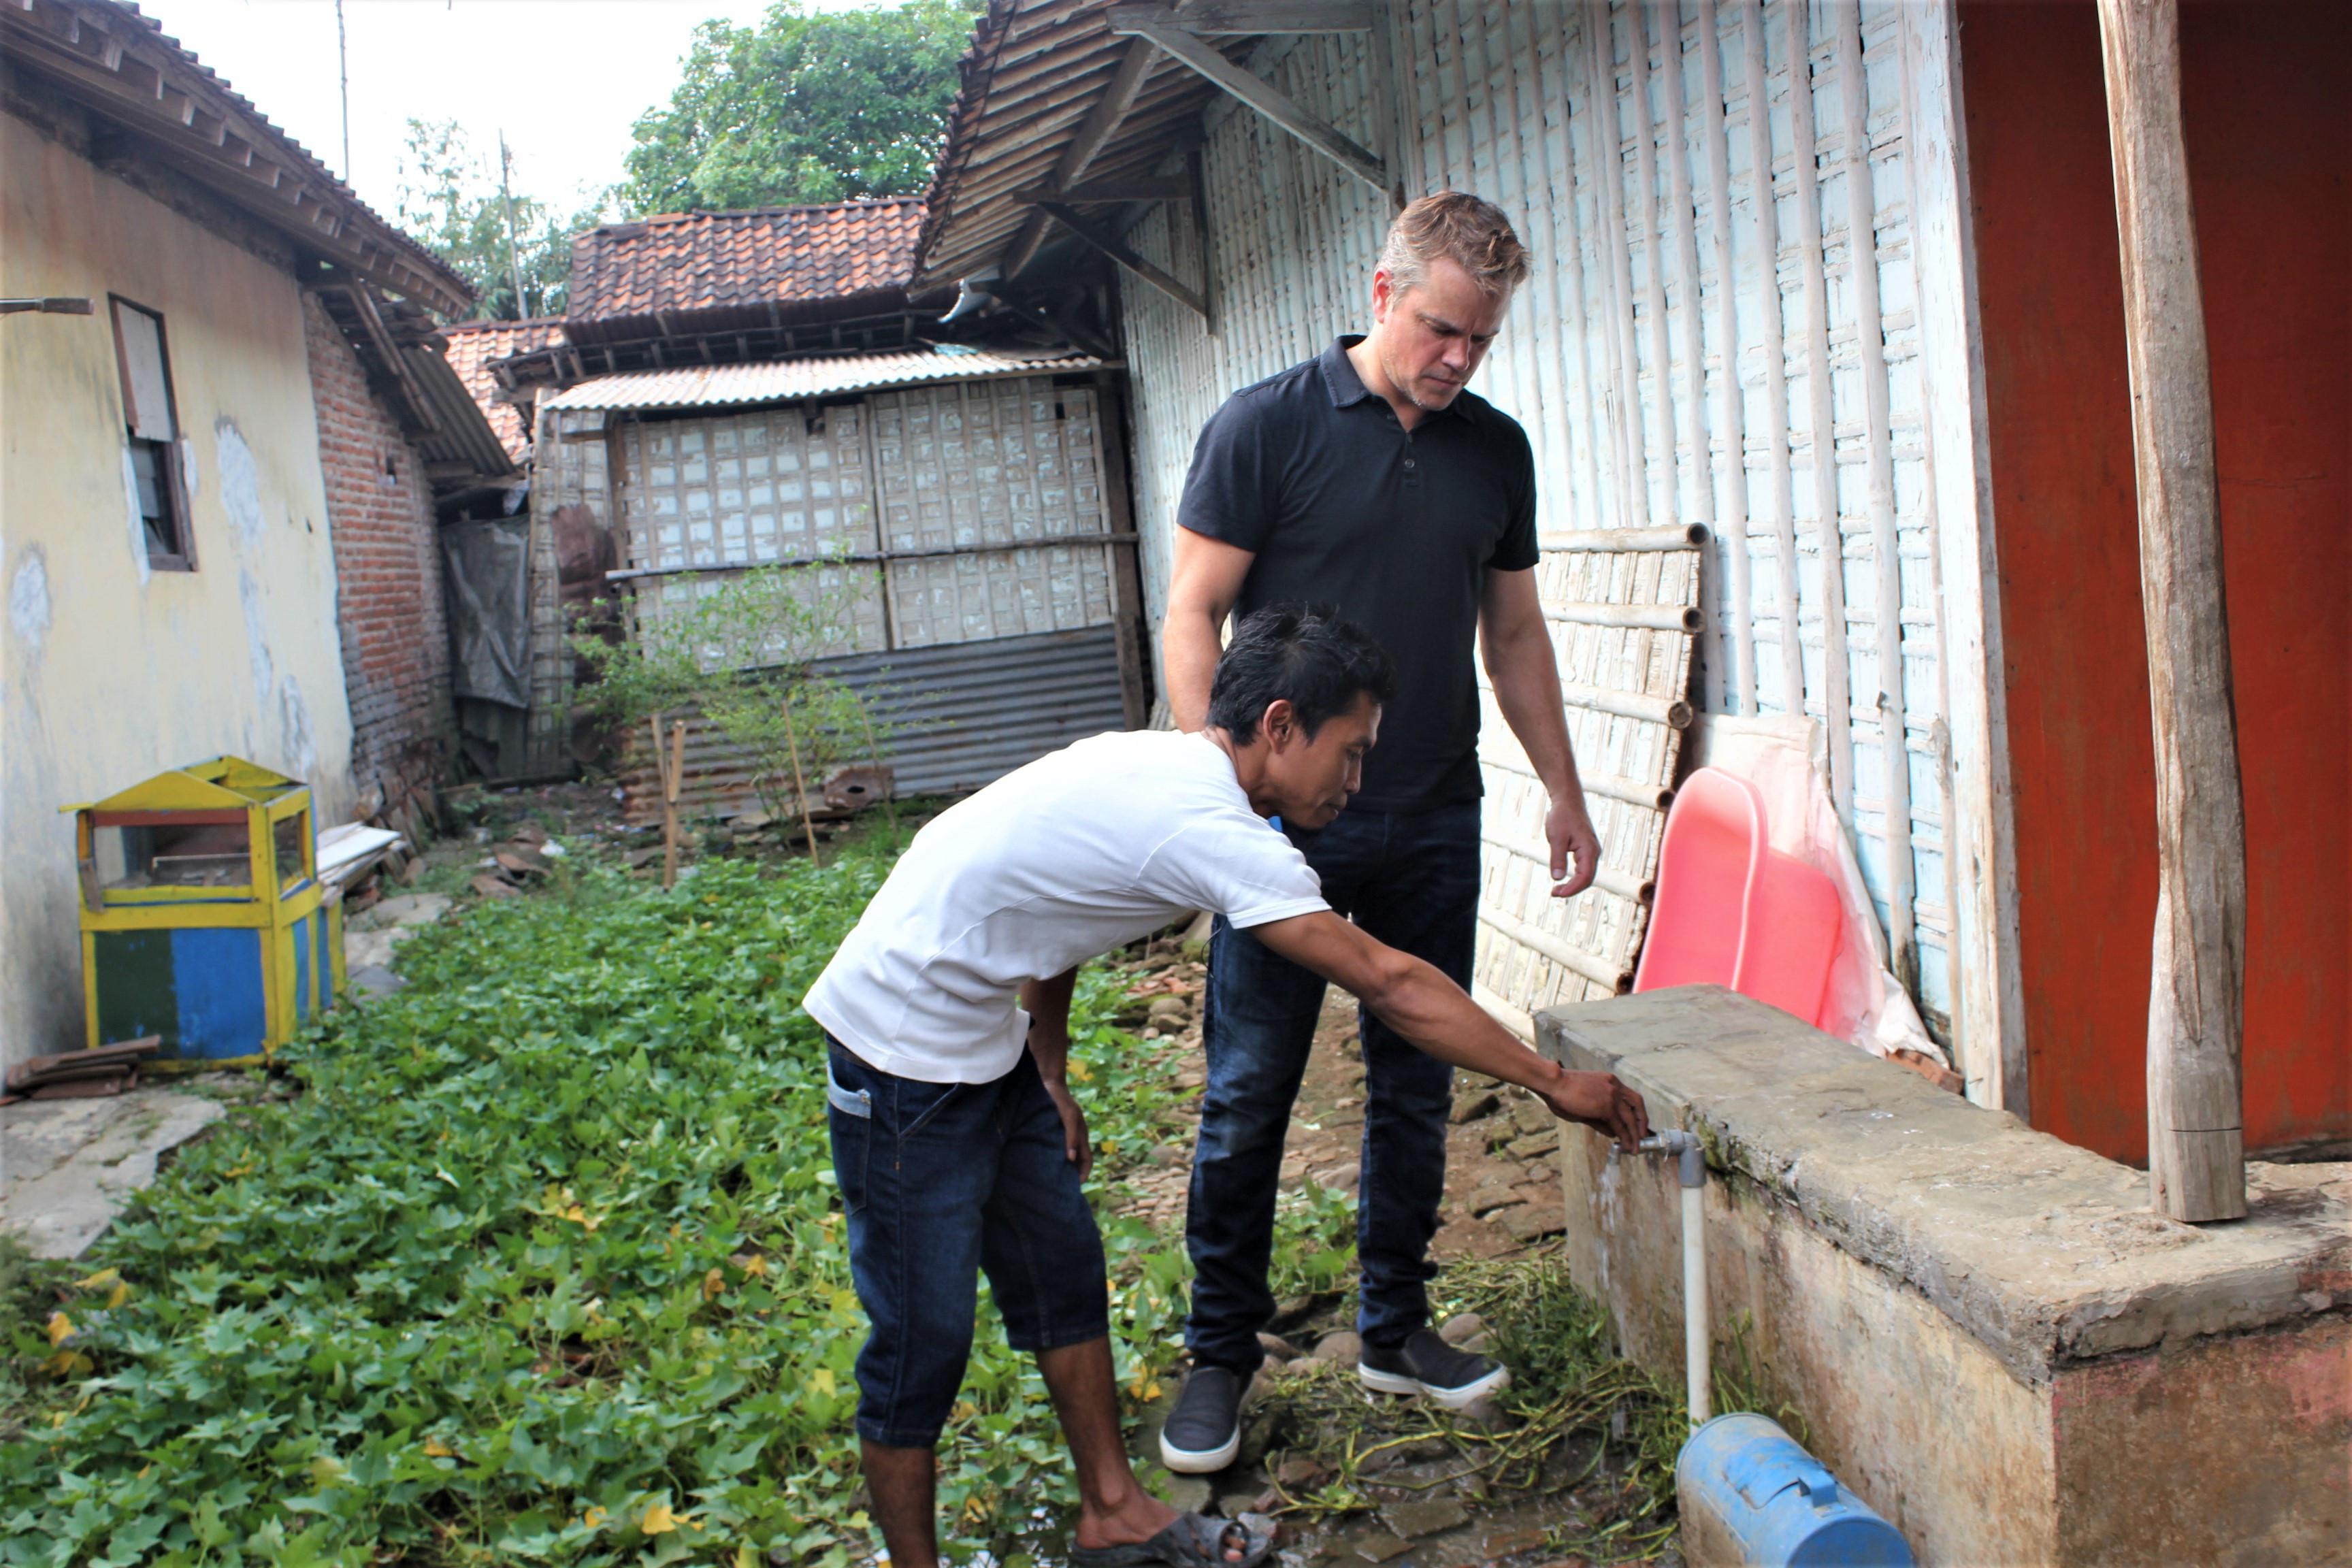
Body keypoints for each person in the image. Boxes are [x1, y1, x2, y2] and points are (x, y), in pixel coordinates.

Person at [803, 607, 1648, 1565]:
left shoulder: (1163, 766)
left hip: (986, 1041)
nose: (1356, 780)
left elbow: (1052, 900)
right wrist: (1549, 1081)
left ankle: (1114, 1508)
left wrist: (1046, 1064)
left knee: (1064, 1273)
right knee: (924, 1341)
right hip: (901, 1054)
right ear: (1281, 725)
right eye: (1351, 751)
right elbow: (1390, 982)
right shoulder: (1212, 829)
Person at [1157, 193, 1602, 1471]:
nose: (1458, 358)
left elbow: (1511, 633)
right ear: (1380, 293)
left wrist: (1565, 788)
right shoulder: (1267, 426)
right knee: (1250, 1094)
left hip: (1430, 813)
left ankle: (1396, 1330)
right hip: (1280, 827)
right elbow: (1195, 609)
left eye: (1481, 339)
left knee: (1417, 1084)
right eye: (1440, 328)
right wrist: (1215, 780)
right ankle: (1221, 1356)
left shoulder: (1493, 452)